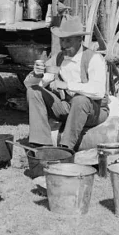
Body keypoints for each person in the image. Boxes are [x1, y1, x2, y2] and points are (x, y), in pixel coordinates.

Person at [25, 15, 108, 150]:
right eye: (62, 40)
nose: (63, 45)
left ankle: (65, 148)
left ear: (79, 40)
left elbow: (99, 92)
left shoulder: (94, 58)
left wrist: (68, 85)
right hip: (67, 107)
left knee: (80, 100)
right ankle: (41, 145)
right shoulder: (59, 58)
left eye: (68, 40)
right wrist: (37, 75)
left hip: (94, 111)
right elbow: (29, 84)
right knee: (33, 91)